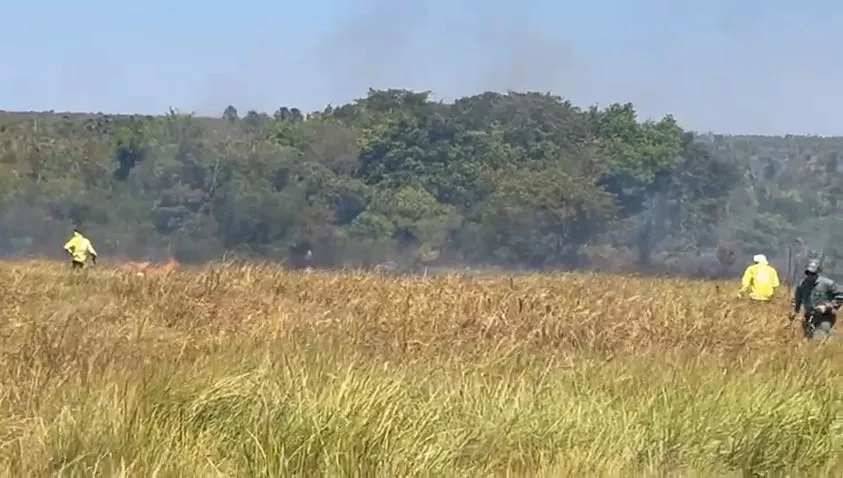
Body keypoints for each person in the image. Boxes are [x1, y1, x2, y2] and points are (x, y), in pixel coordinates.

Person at [790, 259, 842, 339]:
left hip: (826, 316)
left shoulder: (827, 283)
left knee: (818, 337)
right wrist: (794, 311)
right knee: (809, 339)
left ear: (817, 273)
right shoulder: (802, 284)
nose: (810, 276)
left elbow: (841, 296)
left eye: (813, 274)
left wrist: (827, 307)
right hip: (809, 316)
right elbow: (797, 299)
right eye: (808, 273)